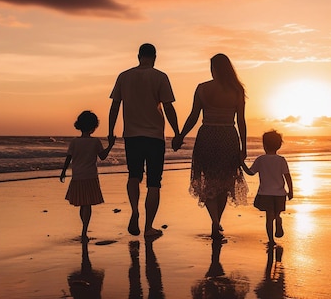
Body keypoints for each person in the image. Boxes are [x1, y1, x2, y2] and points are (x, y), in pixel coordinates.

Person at [173, 53, 248, 239]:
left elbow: (193, 116)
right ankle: (217, 221)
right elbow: (241, 121)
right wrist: (243, 147)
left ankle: (214, 220)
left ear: (213, 68)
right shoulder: (237, 90)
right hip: (228, 137)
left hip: (207, 135)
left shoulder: (202, 88)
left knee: (208, 181)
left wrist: (180, 135)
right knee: (224, 183)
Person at [108, 43, 180, 238]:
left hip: (132, 135)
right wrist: (177, 133)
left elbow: (115, 106)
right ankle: (148, 227)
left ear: (138, 56)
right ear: (155, 57)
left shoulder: (124, 76)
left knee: (133, 175)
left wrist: (110, 131)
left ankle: (134, 211)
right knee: (154, 182)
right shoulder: (160, 77)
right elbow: (168, 107)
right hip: (155, 136)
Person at [60, 110, 115, 241]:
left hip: (77, 176)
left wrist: (63, 172)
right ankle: (84, 231)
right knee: (87, 204)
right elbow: (102, 156)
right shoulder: (95, 142)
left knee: (82, 204)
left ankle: (84, 229)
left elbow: (69, 158)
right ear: (93, 127)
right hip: (90, 176)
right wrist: (111, 145)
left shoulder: (74, 142)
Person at [242, 129, 293, 245]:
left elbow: (250, 172)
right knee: (276, 214)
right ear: (279, 145)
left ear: (264, 145)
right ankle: (278, 219)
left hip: (265, 193)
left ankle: (271, 240)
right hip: (280, 193)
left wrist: (241, 163)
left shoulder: (261, 159)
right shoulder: (281, 160)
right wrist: (291, 191)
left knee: (269, 218)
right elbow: (287, 176)